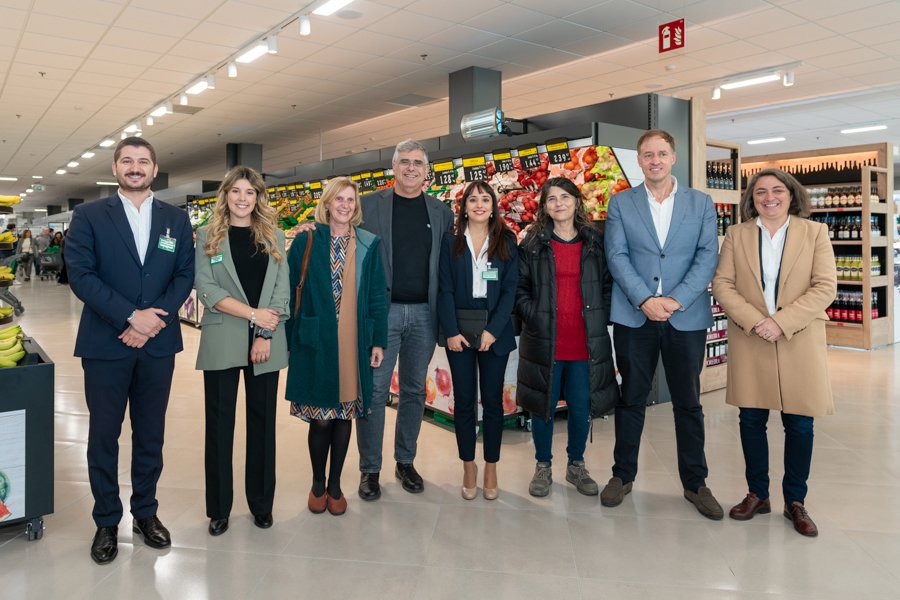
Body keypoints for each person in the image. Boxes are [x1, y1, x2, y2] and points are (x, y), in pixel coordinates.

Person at [65, 137, 194, 564]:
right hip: (106, 344)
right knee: (104, 435)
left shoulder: (176, 219)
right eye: (127, 161)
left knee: (150, 434)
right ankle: (106, 519)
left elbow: (183, 275)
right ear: (116, 168)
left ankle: (145, 513)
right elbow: (81, 276)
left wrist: (152, 320)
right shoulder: (88, 216)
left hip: (157, 344)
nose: (135, 168)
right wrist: (128, 317)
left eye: (143, 162)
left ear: (155, 169)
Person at [601, 129, 722, 519]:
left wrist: (675, 300)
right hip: (635, 315)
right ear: (639, 160)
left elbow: (707, 256)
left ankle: (695, 483)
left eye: (662, 153)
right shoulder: (621, 203)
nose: (655, 160)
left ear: (674, 157)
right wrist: (645, 300)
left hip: (685, 316)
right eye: (648, 154)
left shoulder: (701, 203)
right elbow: (616, 255)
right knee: (631, 396)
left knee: (688, 401)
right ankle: (623, 475)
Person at [712, 168, 836, 537]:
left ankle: (795, 501)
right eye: (761, 191)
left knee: (800, 422)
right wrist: (755, 321)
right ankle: (757, 494)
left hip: (798, 337)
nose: (769, 197)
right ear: (752, 199)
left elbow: (825, 286)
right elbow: (723, 283)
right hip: (752, 337)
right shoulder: (737, 234)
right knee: (751, 419)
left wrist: (782, 321)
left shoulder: (815, 233)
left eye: (777, 190)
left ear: (791, 195)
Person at [355, 139, 454, 500]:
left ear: (427, 171)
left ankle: (405, 460)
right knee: (376, 392)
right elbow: (339, 235)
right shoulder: (368, 205)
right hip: (384, 312)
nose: (411, 168)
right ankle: (369, 469)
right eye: (405, 162)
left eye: (418, 163)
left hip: (425, 315)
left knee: (414, 390)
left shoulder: (441, 212)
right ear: (393, 167)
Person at [194, 166, 289, 537]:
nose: (242, 198)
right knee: (219, 427)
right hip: (222, 340)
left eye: (250, 192)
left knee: (262, 426)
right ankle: (219, 509)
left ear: (258, 197)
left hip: (267, 341)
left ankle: (261, 505)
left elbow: (281, 290)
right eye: (236, 191)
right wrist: (251, 314)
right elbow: (206, 289)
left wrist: (264, 331)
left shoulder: (275, 237)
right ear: (226, 196)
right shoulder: (207, 238)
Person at [286, 177, 388, 515]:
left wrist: (378, 340)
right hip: (316, 338)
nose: (345, 205)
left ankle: (335, 484)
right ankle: (317, 481)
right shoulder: (306, 241)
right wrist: (285, 340)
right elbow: (289, 290)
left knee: (345, 413)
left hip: (353, 339)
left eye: (350, 200)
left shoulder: (369, 244)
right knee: (321, 418)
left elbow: (376, 294)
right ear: (327, 203)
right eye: (339, 199)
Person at [516, 177, 618, 497]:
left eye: (565, 197)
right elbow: (519, 290)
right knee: (543, 405)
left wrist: (600, 314)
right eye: (551, 199)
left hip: (584, 339)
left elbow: (607, 284)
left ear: (576, 201)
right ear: (544, 207)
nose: (559, 203)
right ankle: (543, 465)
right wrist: (534, 314)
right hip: (545, 339)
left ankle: (576, 464)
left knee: (580, 404)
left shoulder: (594, 242)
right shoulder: (533, 243)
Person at [437, 181, 518, 500]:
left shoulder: (506, 240)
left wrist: (493, 330)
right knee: (465, 402)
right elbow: (443, 288)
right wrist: (451, 331)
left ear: (493, 205)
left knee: (495, 404)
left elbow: (510, 289)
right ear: (464, 206)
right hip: (459, 330)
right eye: (473, 199)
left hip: (493, 331)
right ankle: (468, 464)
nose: (479, 204)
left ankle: (491, 466)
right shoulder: (451, 242)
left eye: (485, 199)